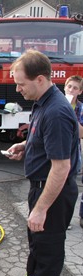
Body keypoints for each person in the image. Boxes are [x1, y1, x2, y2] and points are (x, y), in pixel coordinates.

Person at [5, 50, 79, 276]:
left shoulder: (56, 112)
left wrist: (41, 208)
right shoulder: (43, 102)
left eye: (21, 83)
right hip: (41, 187)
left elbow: (61, 167)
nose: (17, 88)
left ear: (39, 79)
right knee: (36, 242)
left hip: (53, 192)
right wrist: (25, 146)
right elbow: (45, 142)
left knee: (48, 248)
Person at [64, 75, 83, 229]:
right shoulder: (56, 104)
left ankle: (67, 219)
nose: (71, 90)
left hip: (73, 152)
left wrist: (71, 113)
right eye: (69, 86)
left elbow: (81, 133)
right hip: (57, 150)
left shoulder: (80, 109)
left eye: (75, 88)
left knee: (69, 186)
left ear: (80, 92)